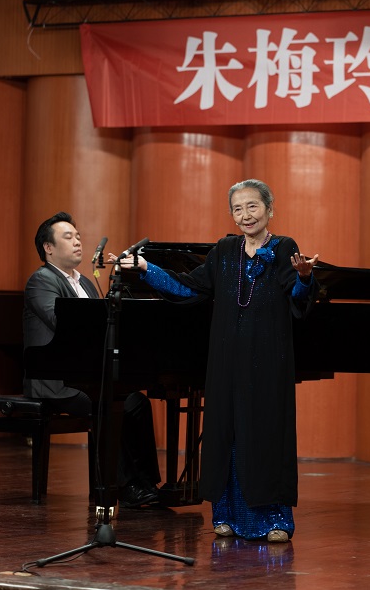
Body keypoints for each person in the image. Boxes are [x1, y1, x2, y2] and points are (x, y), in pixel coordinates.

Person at [109, 179, 319, 542]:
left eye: (252, 206)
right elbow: (188, 287)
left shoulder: (285, 247)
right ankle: (226, 516)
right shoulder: (224, 250)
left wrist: (304, 277)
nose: (245, 215)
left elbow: (298, 298)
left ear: (270, 209)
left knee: (265, 432)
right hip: (226, 360)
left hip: (268, 361)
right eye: (237, 208)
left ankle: (275, 521)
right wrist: (145, 268)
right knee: (226, 432)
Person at [23, 211, 161, 509]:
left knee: (137, 402)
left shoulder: (85, 282)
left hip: (87, 374)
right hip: (56, 380)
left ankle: (147, 482)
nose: (77, 242)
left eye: (78, 237)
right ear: (48, 247)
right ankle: (123, 486)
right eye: (68, 237)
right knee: (107, 404)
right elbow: (62, 323)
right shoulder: (41, 280)